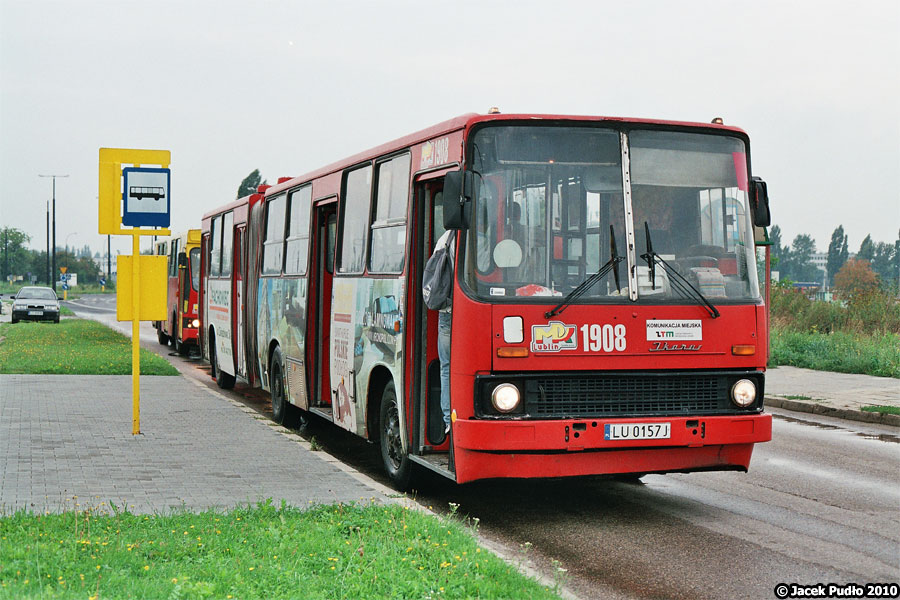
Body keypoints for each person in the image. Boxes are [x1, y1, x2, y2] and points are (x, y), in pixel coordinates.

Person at [430, 227, 455, 437]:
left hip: (446, 309)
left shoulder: (445, 238)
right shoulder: (481, 235)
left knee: (446, 366)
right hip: (468, 310)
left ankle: (448, 419)